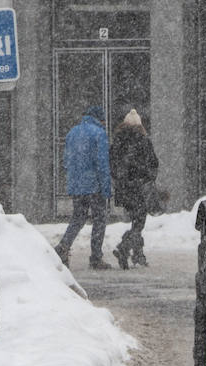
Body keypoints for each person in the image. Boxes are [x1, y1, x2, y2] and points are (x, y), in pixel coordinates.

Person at [54, 106, 113, 270]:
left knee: (78, 218)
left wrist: (74, 180)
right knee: (99, 220)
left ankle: (63, 246)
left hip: (77, 185)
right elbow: (102, 163)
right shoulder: (99, 134)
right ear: (99, 119)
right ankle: (96, 257)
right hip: (94, 186)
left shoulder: (72, 133)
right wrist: (106, 188)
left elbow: (66, 160)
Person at [110, 107, 159, 269]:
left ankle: (138, 255)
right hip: (138, 187)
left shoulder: (117, 140)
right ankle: (124, 247)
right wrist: (148, 177)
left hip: (123, 188)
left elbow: (112, 163)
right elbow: (153, 163)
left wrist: (119, 179)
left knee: (136, 221)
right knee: (139, 223)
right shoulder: (143, 140)